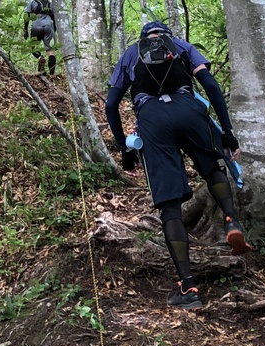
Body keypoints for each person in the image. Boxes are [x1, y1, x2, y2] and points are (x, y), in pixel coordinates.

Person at [105, 20, 253, 309]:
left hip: (152, 120)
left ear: (144, 37)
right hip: (189, 111)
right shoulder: (182, 46)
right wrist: (227, 131)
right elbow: (210, 85)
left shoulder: (131, 53)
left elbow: (111, 104)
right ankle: (231, 221)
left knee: (169, 205)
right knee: (212, 169)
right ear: (166, 36)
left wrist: (124, 146)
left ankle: (188, 287)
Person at [23, 0, 57, 76]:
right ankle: (52, 74)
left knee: (33, 47)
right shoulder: (49, 4)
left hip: (36, 26)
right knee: (51, 51)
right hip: (49, 26)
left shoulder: (32, 2)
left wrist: (25, 30)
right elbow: (54, 17)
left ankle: (40, 57)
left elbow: (27, 16)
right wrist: (54, 29)